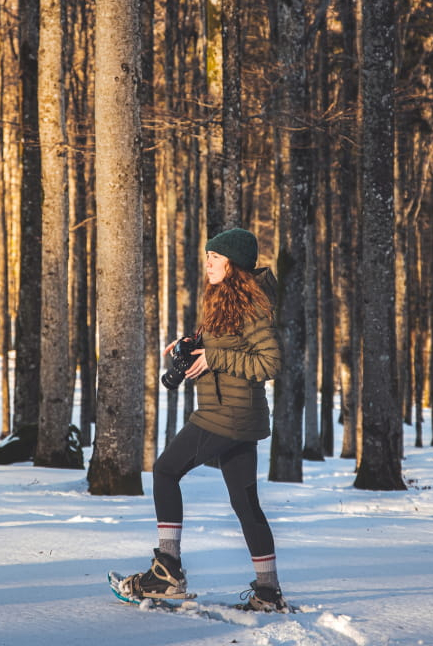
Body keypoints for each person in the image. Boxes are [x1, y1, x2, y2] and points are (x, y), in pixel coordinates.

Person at [119, 227, 289, 612]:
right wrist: (192, 345)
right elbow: (228, 347)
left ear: (233, 265)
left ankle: (167, 573)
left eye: (215, 258)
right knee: (246, 504)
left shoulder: (252, 307)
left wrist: (214, 358)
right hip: (237, 417)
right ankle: (268, 592)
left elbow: (271, 362)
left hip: (224, 415)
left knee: (164, 472)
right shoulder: (227, 301)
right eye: (208, 257)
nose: (207, 263)